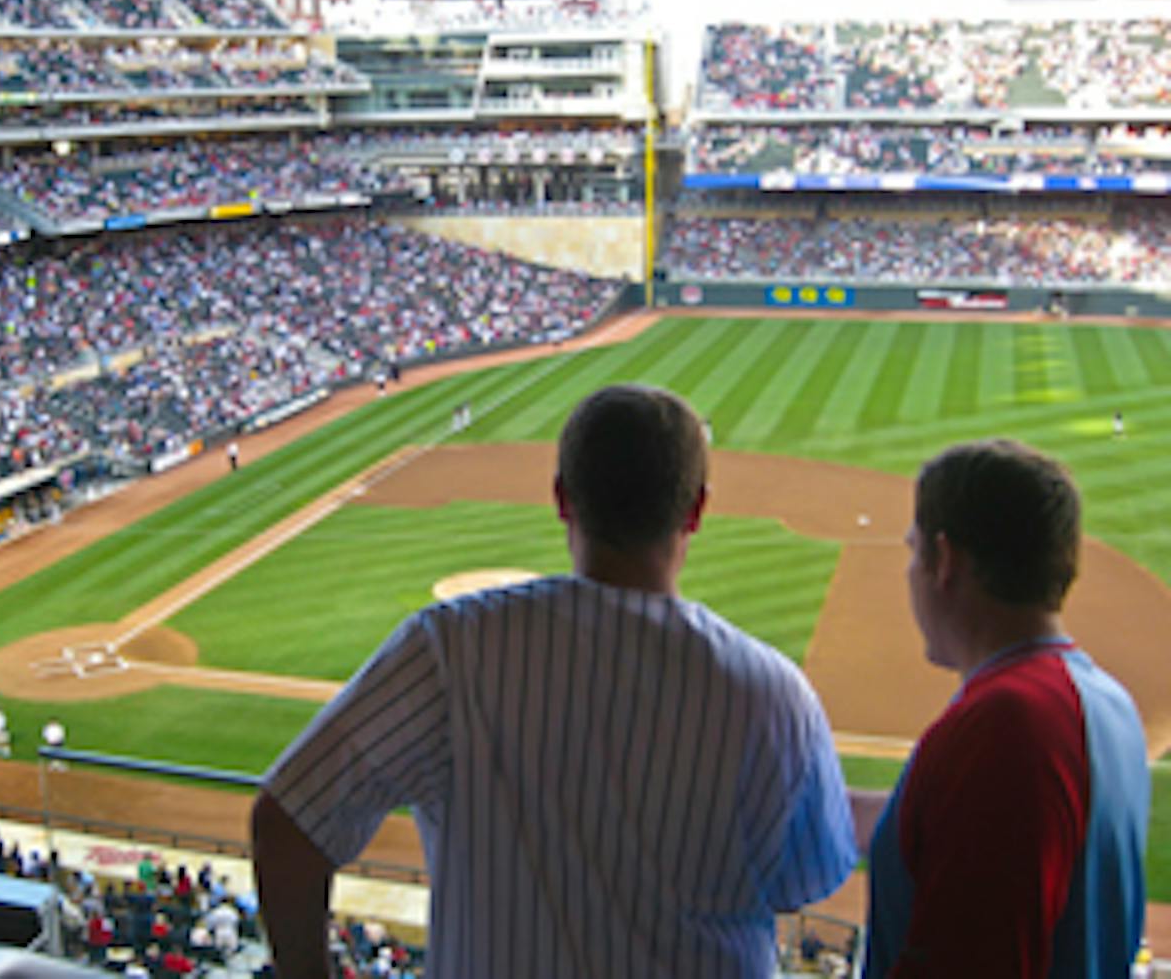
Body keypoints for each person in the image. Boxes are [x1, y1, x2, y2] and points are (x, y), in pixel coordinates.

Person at [253, 384, 855, 978]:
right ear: (695, 509)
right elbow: (800, 884)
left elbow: (286, 820)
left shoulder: (451, 649)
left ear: (562, 499)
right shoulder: (776, 695)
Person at [855, 440, 1149, 978]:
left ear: (945, 561)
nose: (909, 573)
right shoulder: (1108, 705)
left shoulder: (1005, 725)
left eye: (913, 550)